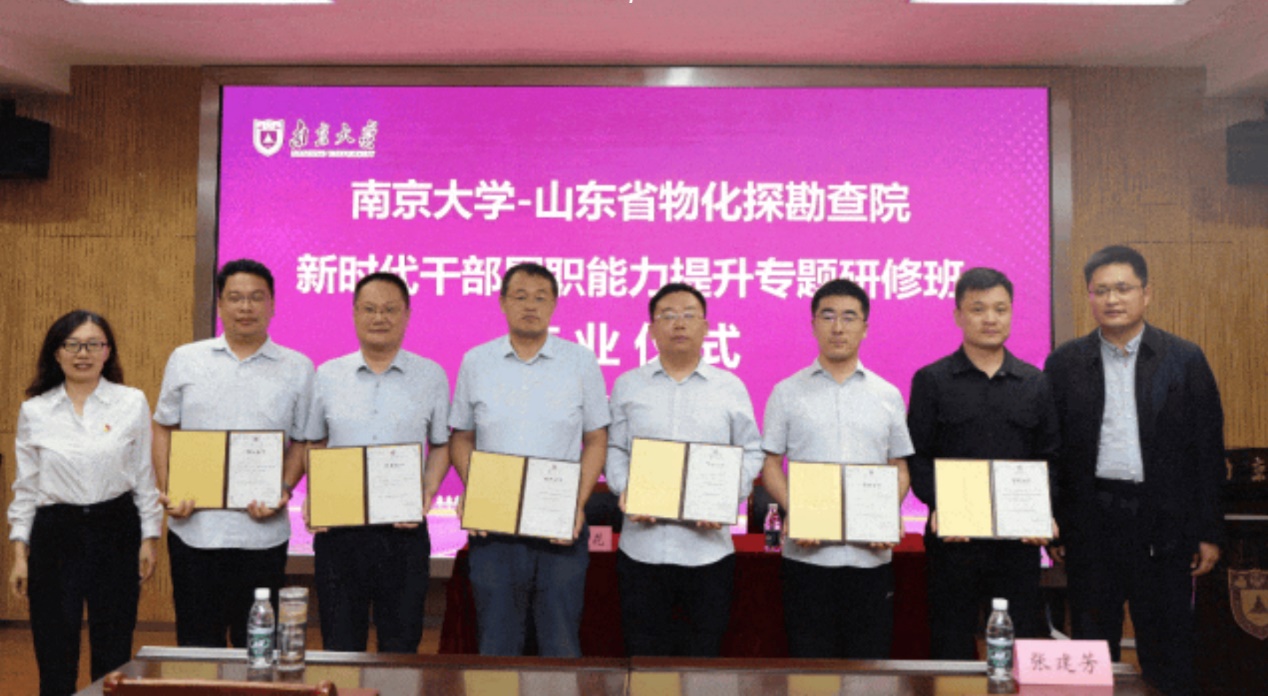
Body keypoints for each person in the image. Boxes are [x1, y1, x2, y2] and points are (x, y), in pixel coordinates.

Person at [1044, 246, 1223, 696]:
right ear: (1089, 297)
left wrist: (1208, 530)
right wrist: (1054, 523)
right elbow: (1052, 452)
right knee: (1091, 648)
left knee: (1167, 649)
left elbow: (1206, 450)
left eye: (1123, 288)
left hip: (1163, 522)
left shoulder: (1184, 359)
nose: (1112, 299)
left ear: (1146, 293)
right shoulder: (1064, 364)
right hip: (1092, 520)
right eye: (1101, 290)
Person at [449, 262, 610, 657]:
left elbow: (596, 439)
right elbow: (461, 438)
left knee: (560, 644)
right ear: (502, 302)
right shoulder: (476, 361)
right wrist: (476, 489)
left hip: (559, 526)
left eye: (541, 297)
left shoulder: (580, 361)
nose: (530, 305)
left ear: (554, 304)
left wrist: (576, 503)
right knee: (496, 646)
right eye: (520, 296)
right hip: (494, 528)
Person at [152, 259, 314, 648]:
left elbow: (303, 440)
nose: (246, 307)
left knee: (256, 646)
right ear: (220, 304)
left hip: (262, 535)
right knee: (197, 646)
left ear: (272, 304)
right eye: (236, 298)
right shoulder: (186, 359)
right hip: (194, 530)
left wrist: (284, 489)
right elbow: (163, 426)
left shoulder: (298, 367)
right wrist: (170, 489)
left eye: (256, 297)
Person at [7, 310, 163, 696]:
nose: (83, 353)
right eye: (72, 344)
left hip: (116, 527)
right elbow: (26, 488)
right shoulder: (35, 410)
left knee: (113, 649)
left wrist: (149, 537)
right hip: (55, 532)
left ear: (107, 352)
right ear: (56, 352)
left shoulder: (131, 402)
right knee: (54, 649)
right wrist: (20, 553)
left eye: (94, 344)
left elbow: (143, 475)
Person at [906, 267, 1060, 660]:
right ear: (958, 315)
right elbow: (917, 457)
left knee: (1019, 643)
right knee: (950, 642)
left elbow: (1051, 457)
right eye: (978, 309)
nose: (990, 318)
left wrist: (1044, 512)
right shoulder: (932, 380)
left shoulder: (1035, 383)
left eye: (1000, 309)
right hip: (954, 540)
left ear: (1011, 313)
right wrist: (940, 504)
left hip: (1018, 541)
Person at [605, 282, 763, 657]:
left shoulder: (730, 387)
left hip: (708, 553)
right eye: (668, 315)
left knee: (702, 663)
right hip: (642, 550)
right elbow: (615, 448)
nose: (679, 323)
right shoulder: (628, 385)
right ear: (651, 329)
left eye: (689, 315)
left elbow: (752, 451)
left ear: (706, 327)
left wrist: (726, 496)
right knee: (644, 662)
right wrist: (627, 489)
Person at [760, 278, 913, 659]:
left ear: (865, 327)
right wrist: (797, 508)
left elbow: (899, 467)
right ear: (813, 325)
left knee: (870, 666)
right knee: (810, 667)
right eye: (828, 317)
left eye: (849, 317)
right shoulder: (786, 392)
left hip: (870, 555)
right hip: (808, 556)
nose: (838, 327)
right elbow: (770, 465)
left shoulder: (887, 395)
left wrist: (886, 512)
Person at [304, 272, 450, 653]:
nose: (379, 318)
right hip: (340, 530)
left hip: (403, 532)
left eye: (389, 309)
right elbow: (316, 441)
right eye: (369, 309)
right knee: (340, 644)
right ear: (354, 313)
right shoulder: (327, 375)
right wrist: (316, 494)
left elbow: (441, 445)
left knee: (401, 646)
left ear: (407, 314)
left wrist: (427, 491)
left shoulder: (431, 375)